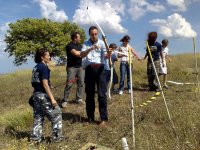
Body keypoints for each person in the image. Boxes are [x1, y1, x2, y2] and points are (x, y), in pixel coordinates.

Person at [30, 48, 63, 143]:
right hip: (42, 95)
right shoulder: (44, 67)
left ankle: (35, 139)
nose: (49, 57)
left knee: (38, 116)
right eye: (47, 55)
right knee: (57, 114)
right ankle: (57, 139)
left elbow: (38, 82)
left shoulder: (36, 67)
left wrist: (49, 85)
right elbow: (44, 84)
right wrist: (53, 100)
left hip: (35, 95)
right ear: (42, 57)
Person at [81, 26, 109, 127]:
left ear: (97, 33)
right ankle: (90, 117)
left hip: (100, 69)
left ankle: (103, 119)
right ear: (89, 34)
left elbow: (106, 56)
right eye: (92, 34)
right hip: (89, 69)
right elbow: (82, 55)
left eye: (96, 34)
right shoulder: (85, 43)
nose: (94, 36)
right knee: (89, 94)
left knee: (102, 94)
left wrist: (108, 54)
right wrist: (90, 48)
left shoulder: (102, 43)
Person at [62, 32, 85, 108]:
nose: (80, 39)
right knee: (69, 83)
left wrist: (84, 53)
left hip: (80, 67)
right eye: (79, 37)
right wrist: (84, 52)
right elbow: (76, 54)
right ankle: (65, 100)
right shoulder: (69, 46)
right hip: (72, 68)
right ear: (75, 38)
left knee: (81, 83)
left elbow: (83, 54)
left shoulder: (81, 46)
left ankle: (79, 98)